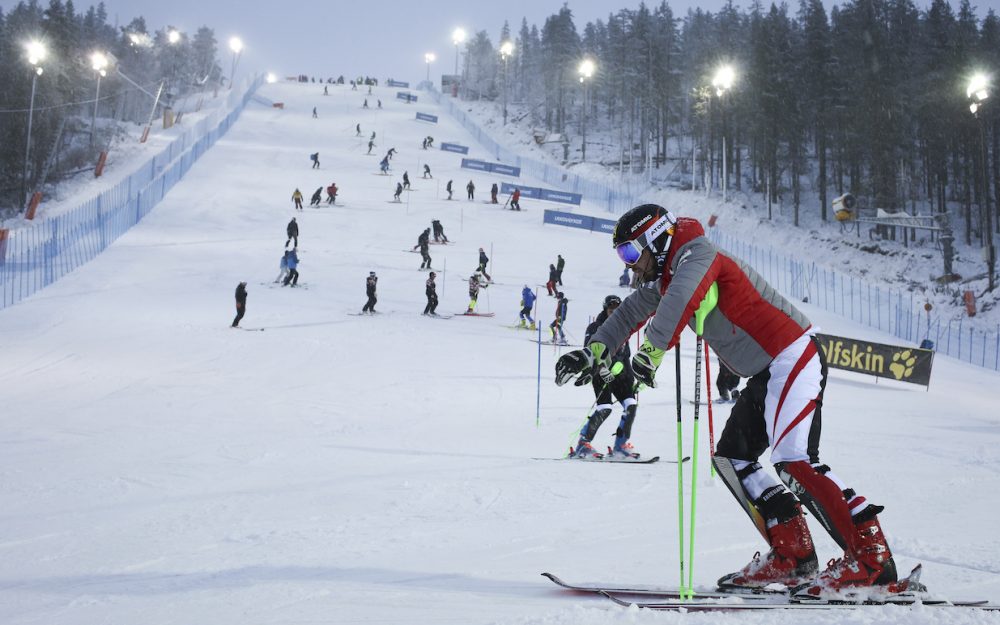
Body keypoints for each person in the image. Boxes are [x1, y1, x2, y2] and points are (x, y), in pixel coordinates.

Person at [553, 203, 898, 598]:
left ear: (656, 239)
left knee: (795, 459)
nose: (630, 265)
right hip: (767, 371)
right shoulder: (667, 274)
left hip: (792, 354)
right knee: (732, 457)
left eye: (631, 253)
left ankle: (871, 560)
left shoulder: (698, 254)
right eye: (622, 256)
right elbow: (632, 310)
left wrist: (651, 352)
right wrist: (593, 351)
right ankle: (793, 555)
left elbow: (682, 298)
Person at [570, 295, 640, 459]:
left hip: (620, 374)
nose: (614, 313)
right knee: (605, 408)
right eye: (611, 310)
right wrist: (601, 369)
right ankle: (583, 444)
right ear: (605, 310)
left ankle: (620, 446)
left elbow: (625, 356)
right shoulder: (596, 327)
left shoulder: (624, 326)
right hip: (600, 373)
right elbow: (589, 349)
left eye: (617, 310)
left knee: (631, 404)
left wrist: (632, 378)